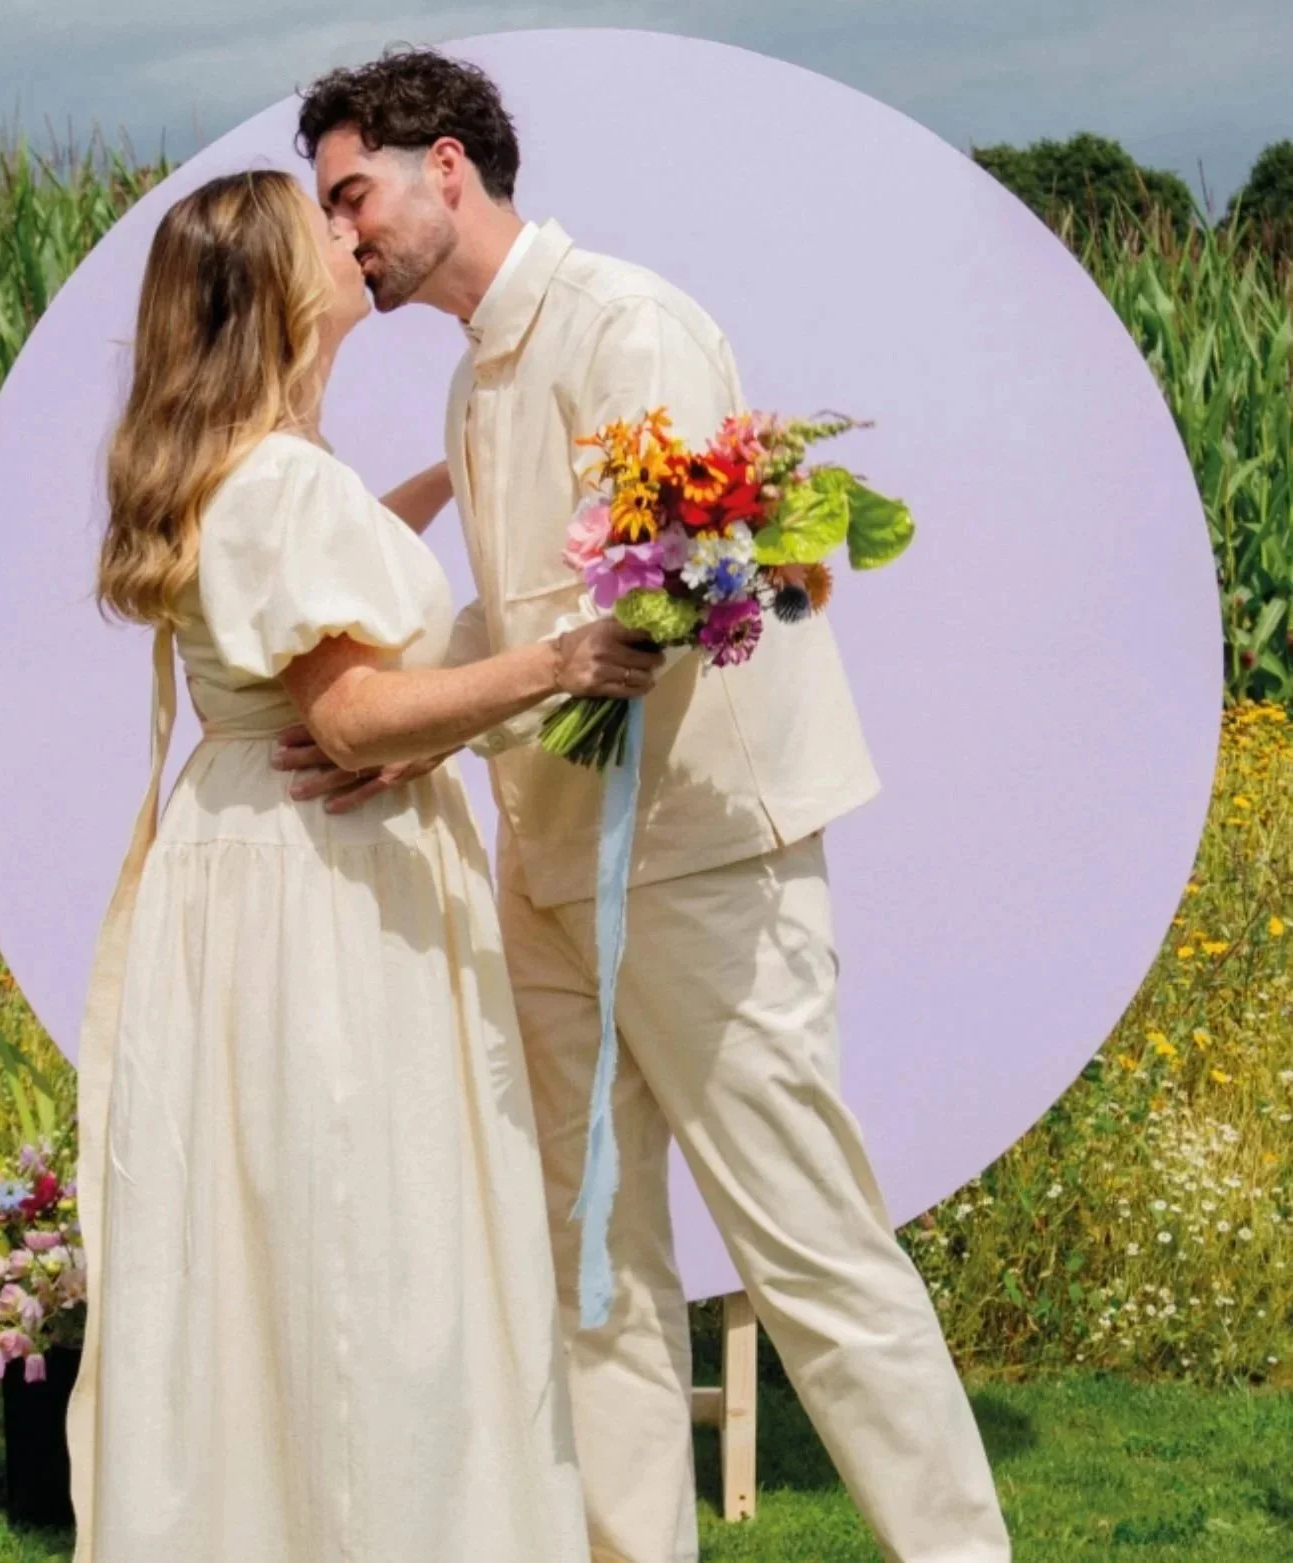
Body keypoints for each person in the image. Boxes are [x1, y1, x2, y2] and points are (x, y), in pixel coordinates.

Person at [282, 47, 1015, 1563]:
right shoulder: (475, 371)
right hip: (546, 865)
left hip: (701, 857)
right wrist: (402, 730)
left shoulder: (629, 325)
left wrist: (431, 722)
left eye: (351, 193)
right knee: (588, 1263)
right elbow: (527, 618)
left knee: (807, 1244)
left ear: (446, 170)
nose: (340, 230)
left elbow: (682, 592)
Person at [63, 165, 661, 1562]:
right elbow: (345, 713)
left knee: (274, 1224)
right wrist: (562, 658)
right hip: (325, 886)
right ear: (279, 287)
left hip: (249, 869)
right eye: (321, 226)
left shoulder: (243, 470)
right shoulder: (276, 487)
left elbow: (321, 577)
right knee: (364, 1222)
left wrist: (460, 475)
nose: (352, 239)